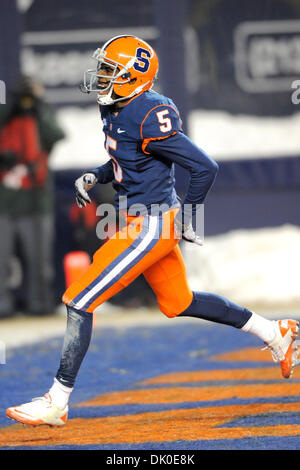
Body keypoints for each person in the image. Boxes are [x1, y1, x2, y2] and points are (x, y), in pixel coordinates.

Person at [6, 36, 299, 427]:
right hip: (136, 217)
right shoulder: (115, 108)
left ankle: (57, 400)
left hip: (151, 222)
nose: (101, 75)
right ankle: (274, 332)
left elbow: (204, 167)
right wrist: (97, 174)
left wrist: (189, 215)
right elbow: (128, 158)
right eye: (103, 66)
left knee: (79, 299)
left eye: (110, 70)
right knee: (178, 302)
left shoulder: (148, 113)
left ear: (133, 77)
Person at [0, 76, 65, 317]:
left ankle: (41, 304)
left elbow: (57, 134)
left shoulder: (40, 115)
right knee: (1, 261)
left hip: (37, 203)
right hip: (4, 203)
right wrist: (11, 107)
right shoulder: (6, 113)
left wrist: (38, 106)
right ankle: (3, 306)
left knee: (40, 262)